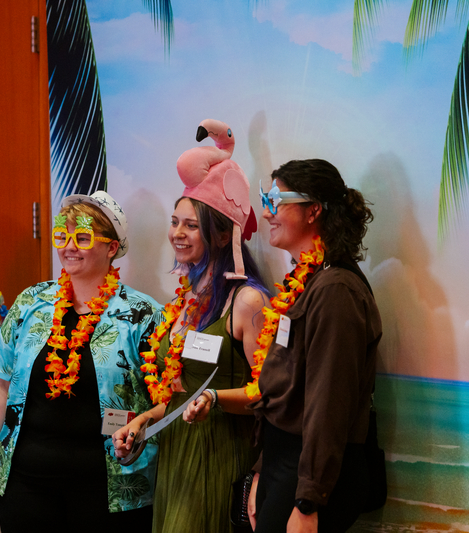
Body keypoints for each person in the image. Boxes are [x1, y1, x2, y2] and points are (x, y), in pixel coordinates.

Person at [113, 119, 270, 533]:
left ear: (221, 236)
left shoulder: (247, 302)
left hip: (219, 457)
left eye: (191, 225)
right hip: (176, 460)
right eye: (174, 222)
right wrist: (144, 421)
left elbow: (270, 393)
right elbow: (183, 396)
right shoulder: (182, 301)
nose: (177, 234)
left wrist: (215, 400)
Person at [0, 191, 161, 533]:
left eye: (83, 238)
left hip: (110, 487)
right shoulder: (30, 302)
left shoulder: (143, 314)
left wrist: (140, 425)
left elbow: (170, 398)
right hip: (27, 483)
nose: (69, 247)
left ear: (111, 248)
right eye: (62, 236)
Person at [247, 159, 382, 533]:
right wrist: (262, 469)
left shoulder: (336, 290)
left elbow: (328, 403)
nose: (266, 212)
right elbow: (286, 394)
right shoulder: (307, 281)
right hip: (285, 462)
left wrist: (308, 501)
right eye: (265, 199)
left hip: (310, 472)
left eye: (276, 200)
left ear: (313, 211)